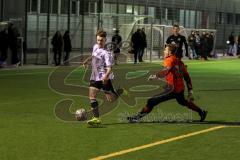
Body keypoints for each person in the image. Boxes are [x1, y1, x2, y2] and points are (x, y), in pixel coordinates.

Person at [127, 44, 207, 123]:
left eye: (165, 50)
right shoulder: (180, 62)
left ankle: (137, 118)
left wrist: (155, 76)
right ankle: (201, 112)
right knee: (183, 102)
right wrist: (190, 91)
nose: (164, 51)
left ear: (169, 52)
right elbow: (187, 77)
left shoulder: (169, 59)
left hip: (172, 89)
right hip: (180, 89)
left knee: (151, 101)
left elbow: (166, 70)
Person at [83, 30, 121, 125]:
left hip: (104, 78)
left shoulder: (107, 53)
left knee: (111, 100)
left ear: (105, 40)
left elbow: (109, 68)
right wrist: (87, 61)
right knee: (92, 96)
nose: (99, 42)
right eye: (98, 40)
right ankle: (96, 118)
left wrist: (106, 77)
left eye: (101, 40)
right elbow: (93, 55)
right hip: (94, 76)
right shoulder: (95, 47)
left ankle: (118, 93)